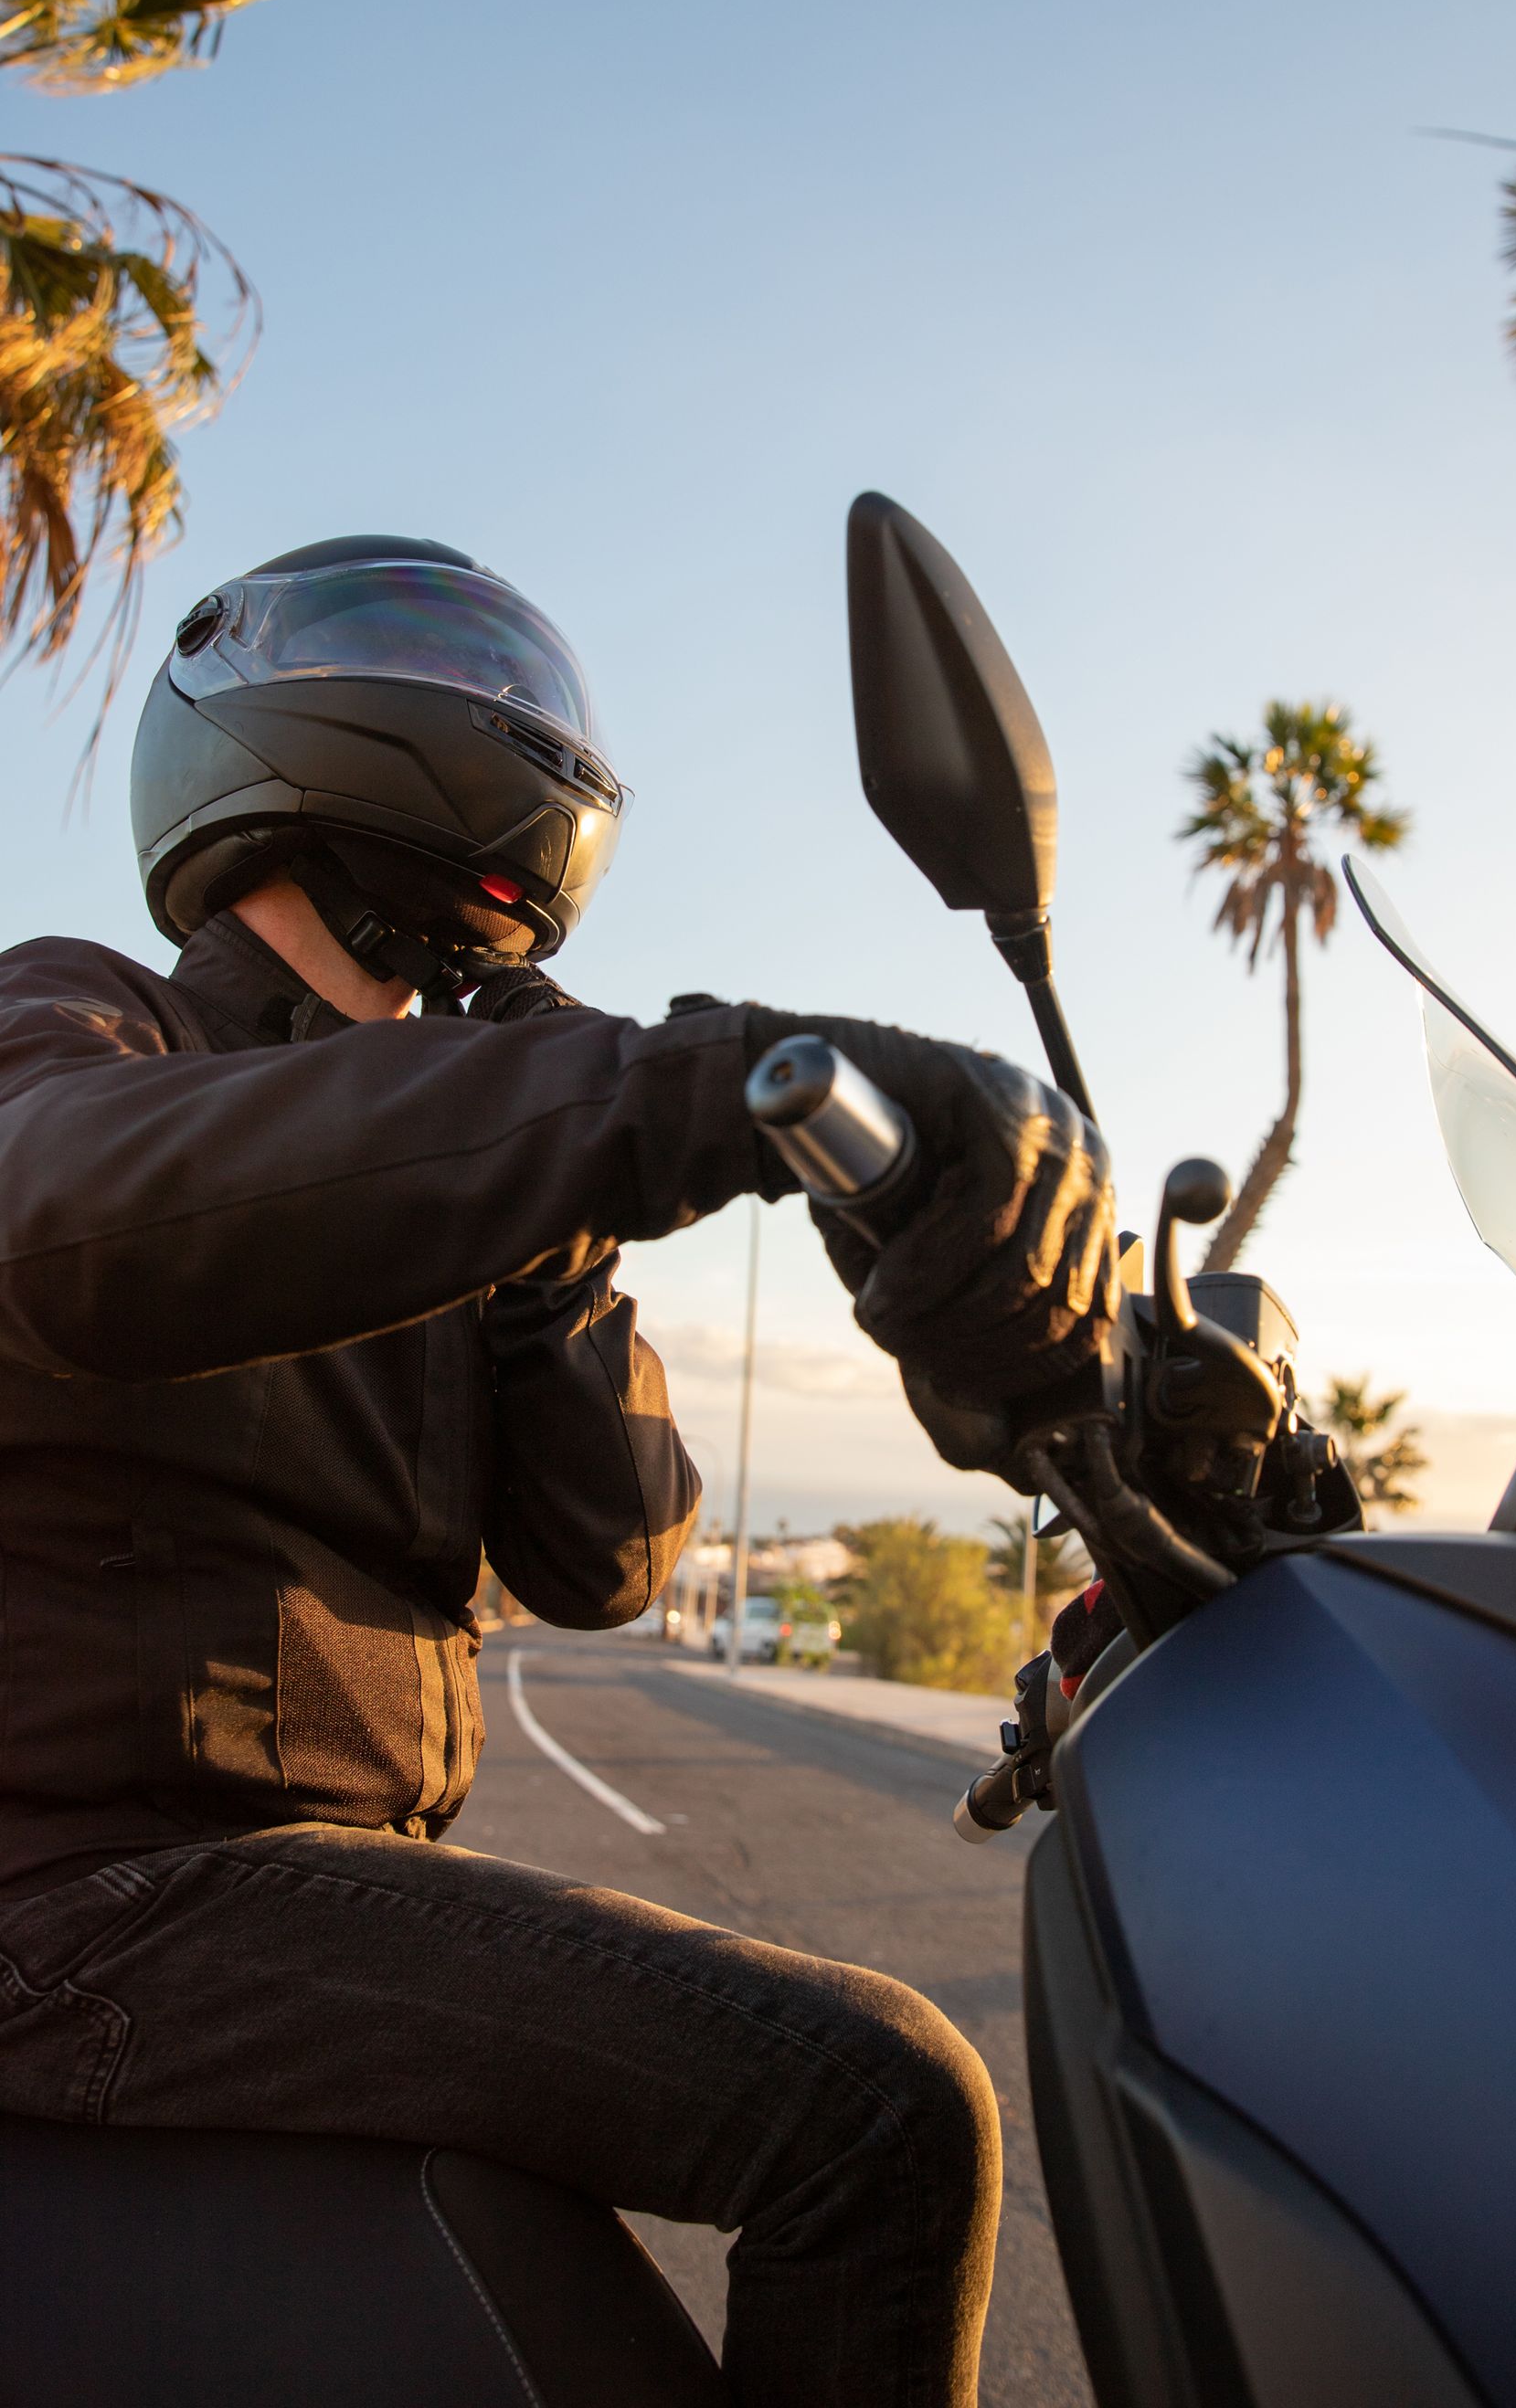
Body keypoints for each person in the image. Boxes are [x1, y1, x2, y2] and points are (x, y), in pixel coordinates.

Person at [0, 536, 1117, 2408]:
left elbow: (607, 1553)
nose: (496, 698)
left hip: (297, 1878)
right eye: (425, 648)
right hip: (87, 1890)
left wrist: (561, 1252)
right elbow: (69, 1217)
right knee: (878, 2108)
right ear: (269, 718)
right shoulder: (91, 1028)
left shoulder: (443, 1159)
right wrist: (688, 1094)